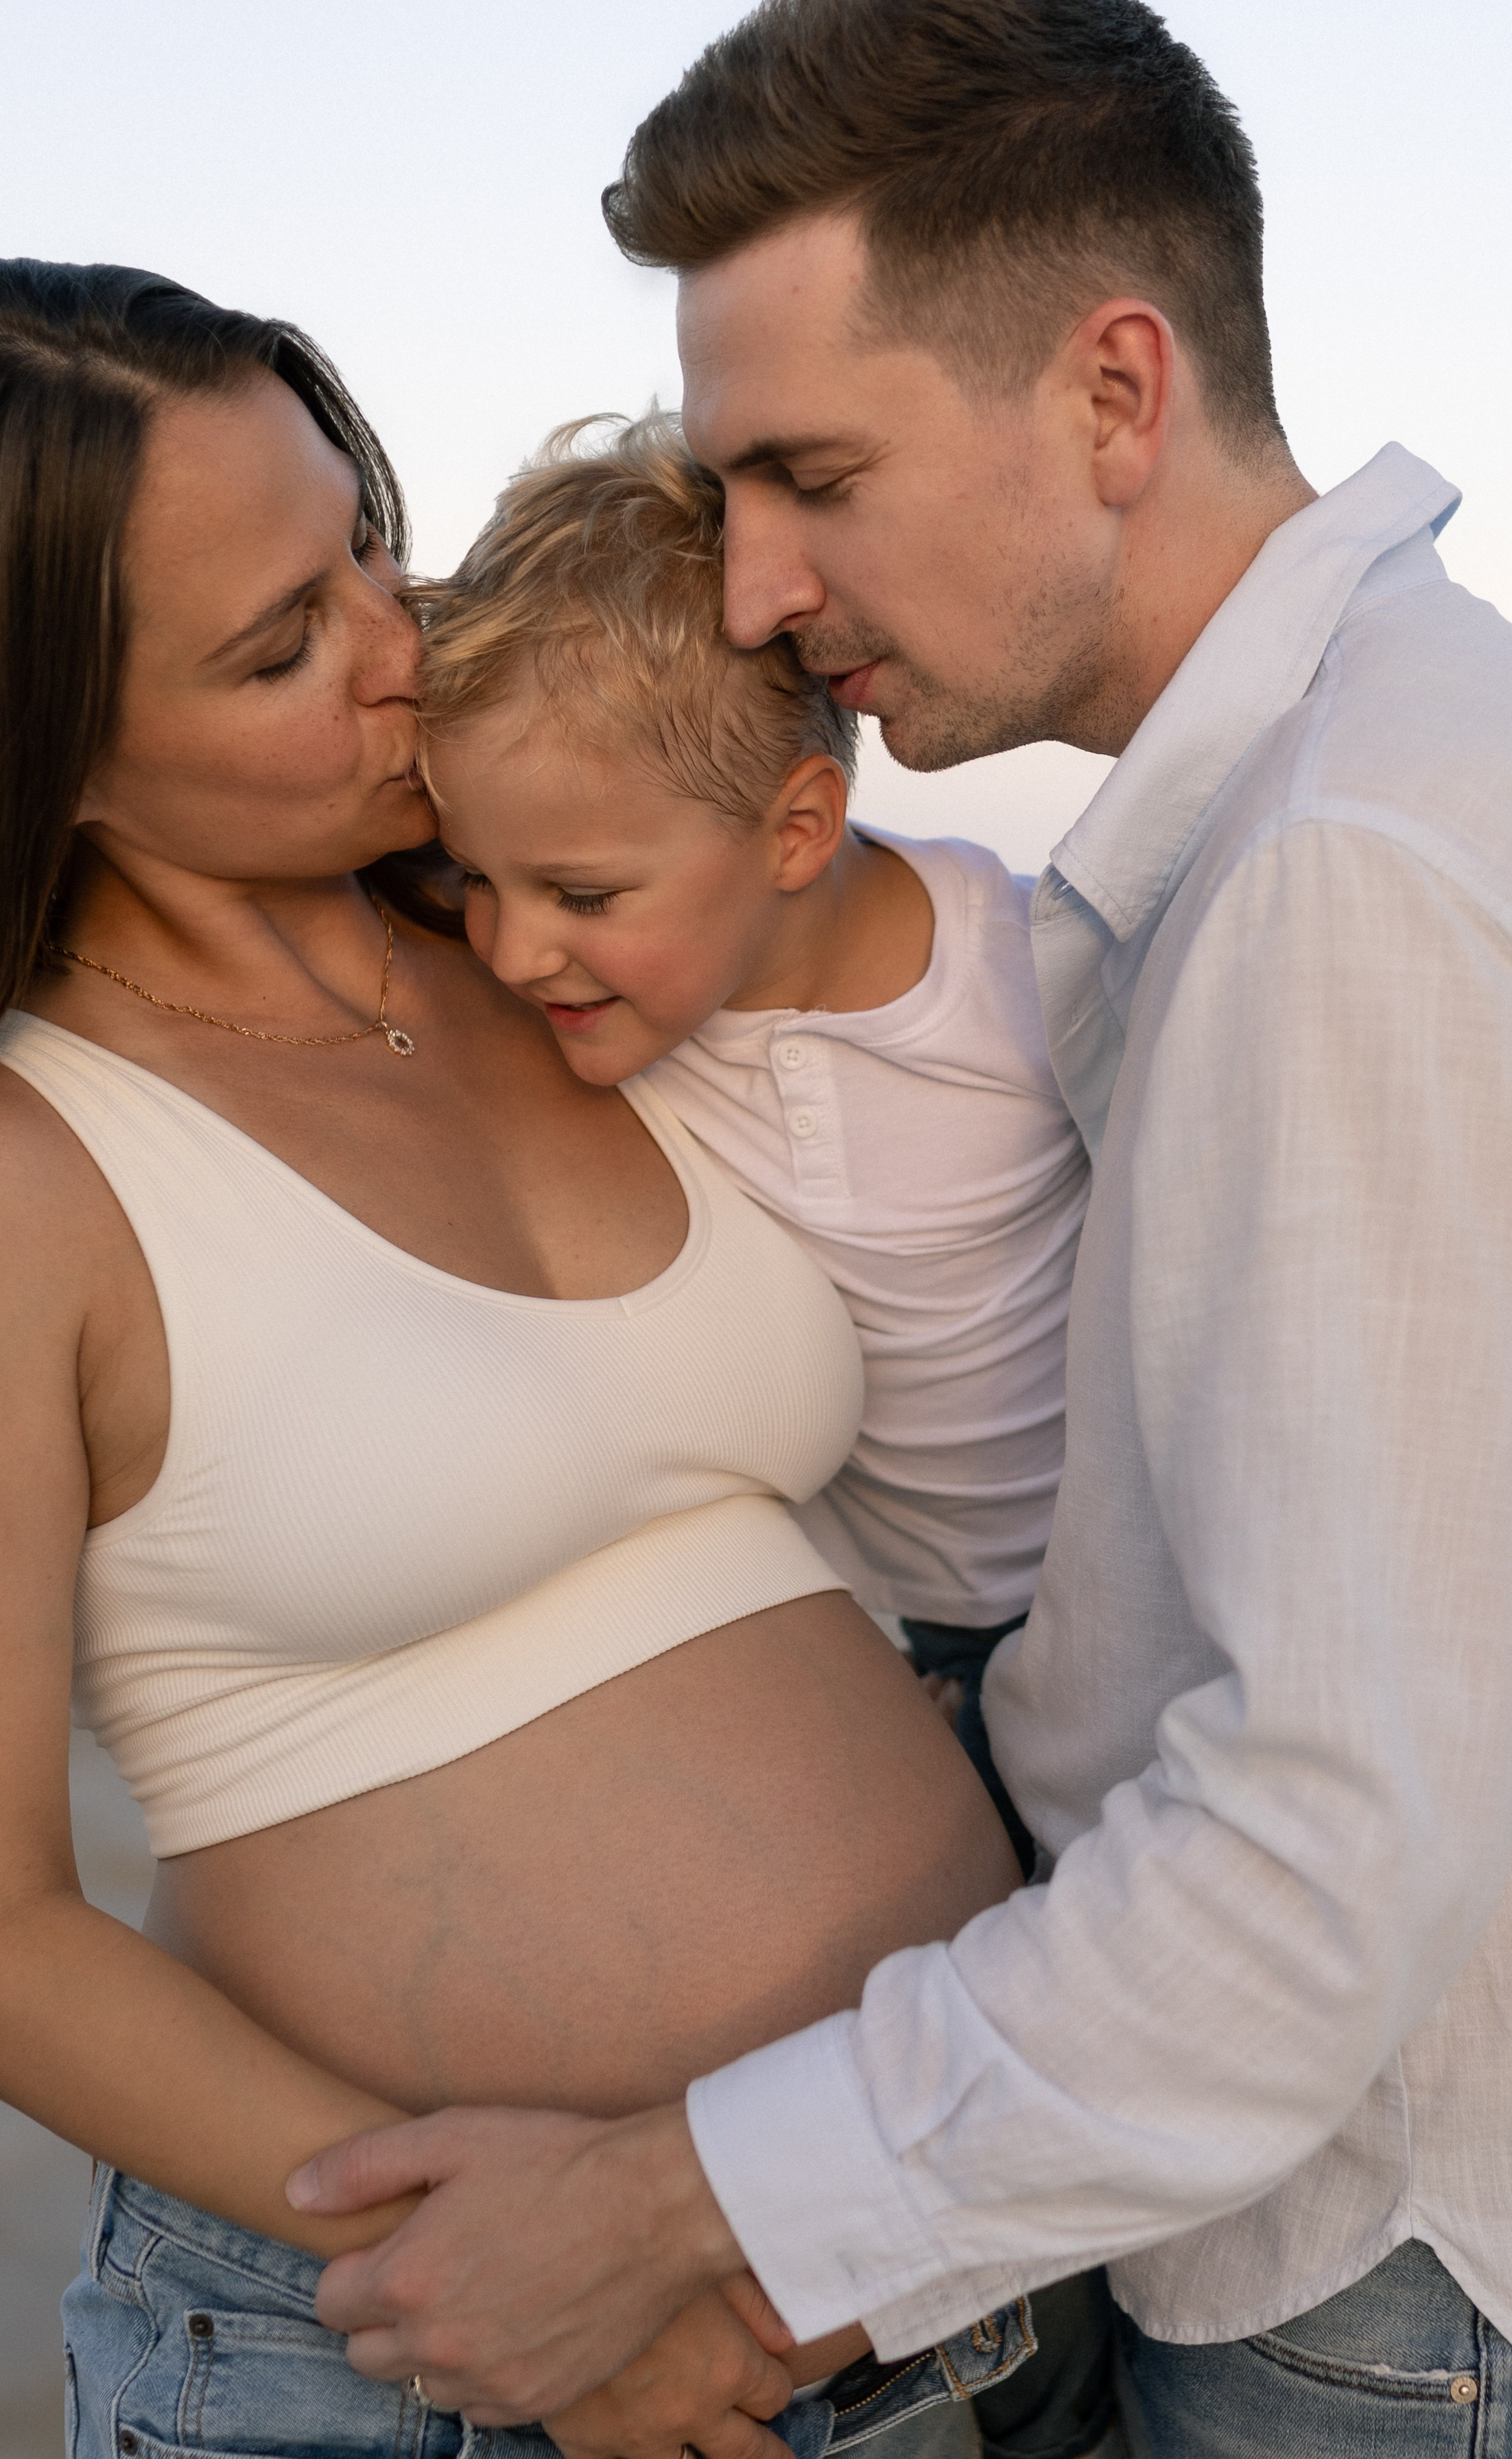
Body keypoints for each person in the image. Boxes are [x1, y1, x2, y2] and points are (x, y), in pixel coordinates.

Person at [285, 4, 1512, 2454]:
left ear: (1114, 395)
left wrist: (676, 2213)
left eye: (807, 475)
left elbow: (1322, 1848)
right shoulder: (1367, 758)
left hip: (1342, 2271)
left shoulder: (1339, 875)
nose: (751, 589)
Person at [0, 257, 1034, 2459]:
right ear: (26, 740)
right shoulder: (3, 1183)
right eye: (278, 645)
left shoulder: (566, 930)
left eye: (363, 538)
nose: (395, 645)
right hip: (469, 2369)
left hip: (963, 2244)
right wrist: (501, 2282)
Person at [414, 408, 1089, 1884]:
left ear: (796, 830)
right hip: (862, 1644)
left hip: (1106, 1620)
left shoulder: (1038, 974)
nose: (516, 950)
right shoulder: (612, 1025)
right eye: (473, 877)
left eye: (580, 893)